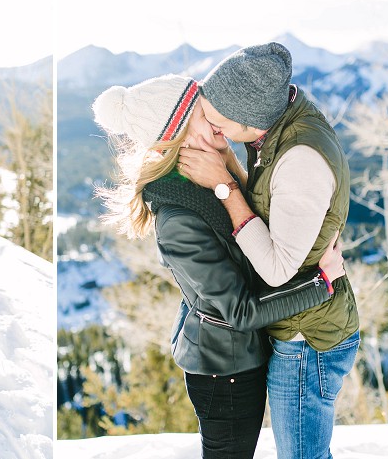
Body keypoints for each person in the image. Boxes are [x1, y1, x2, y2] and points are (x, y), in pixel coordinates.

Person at [92, 74, 344, 458]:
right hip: (223, 369)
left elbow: (254, 237)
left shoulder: (203, 182)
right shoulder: (178, 217)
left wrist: (228, 172)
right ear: (177, 133)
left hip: (240, 356)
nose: (219, 121)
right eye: (206, 117)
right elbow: (240, 311)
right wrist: (321, 282)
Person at [178, 42, 360, 459]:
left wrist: (223, 187)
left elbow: (277, 268)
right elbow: (268, 207)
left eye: (218, 121)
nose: (210, 125)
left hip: (307, 338)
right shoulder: (277, 128)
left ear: (250, 118)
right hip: (295, 326)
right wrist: (226, 162)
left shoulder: (299, 158)